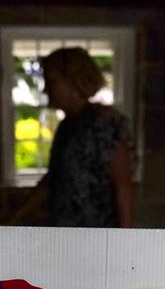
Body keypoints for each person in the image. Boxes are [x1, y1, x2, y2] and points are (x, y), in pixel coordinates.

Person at [10, 47, 136, 228]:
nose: (46, 89)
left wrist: (125, 242)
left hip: (98, 238)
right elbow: (54, 179)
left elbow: (123, 186)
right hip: (66, 236)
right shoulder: (68, 127)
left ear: (73, 81)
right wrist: (16, 216)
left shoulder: (105, 124)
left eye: (52, 81)